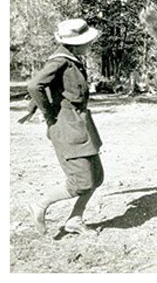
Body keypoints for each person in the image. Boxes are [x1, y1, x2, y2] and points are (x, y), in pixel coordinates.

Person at [27, 18, 104, 237]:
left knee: (96, 177)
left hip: (81, 124)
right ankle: (40, 206)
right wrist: (49, 113)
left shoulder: (73, 60)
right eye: (86, 41)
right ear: (75, 44)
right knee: (81, 182)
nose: (90, 44)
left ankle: (74, 219)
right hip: (66, 127)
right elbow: (35, 85)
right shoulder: (60, 61)